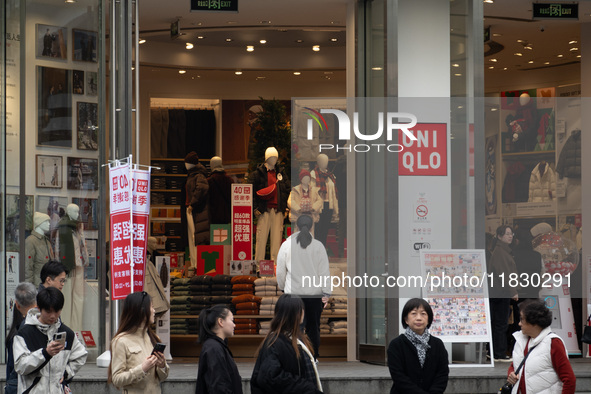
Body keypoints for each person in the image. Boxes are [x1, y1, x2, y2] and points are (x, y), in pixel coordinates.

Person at [13, 287, 88, 394]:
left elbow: (81, 355)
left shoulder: (67, 333)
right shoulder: (25, 333)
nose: (53, 316)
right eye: (48, 311)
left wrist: (66, 373)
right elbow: (20, 366)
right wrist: (45, 353)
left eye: (57, 311)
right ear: (39, 308)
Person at [276, 214, 330, 359]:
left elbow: (280, 271)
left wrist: (282, 287)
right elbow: (324, 272)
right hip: (314, 294)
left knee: (295, 327)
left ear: (297, 226)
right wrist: (326, 293)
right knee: (314, 328)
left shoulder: (286, 245)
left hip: (293, 294)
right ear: (312, 226)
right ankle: (314, 357)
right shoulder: (318, 246)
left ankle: (296, 356)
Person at [251, 294, 323, 393]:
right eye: (301, 309)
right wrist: (306, 387)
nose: (303, 312)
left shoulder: (296, 339)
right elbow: (270, 377)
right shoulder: (275, 342)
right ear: (296, 313)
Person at [506, 299, 576, 394]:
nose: (519, 323)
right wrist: (511, 374)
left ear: (533, 322)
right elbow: (515, 365)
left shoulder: (553, 343)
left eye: (522, 319)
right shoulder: (520, 340)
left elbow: (569, 379)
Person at [108, 291, 169, 394]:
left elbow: (163, 377)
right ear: (142, 310)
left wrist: (162, 365)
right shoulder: (120, 341)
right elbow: (117, 379)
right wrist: (142, 369)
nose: (154, 311)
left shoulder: (153, 338)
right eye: (152, 307)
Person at [387, 298, 449, 394]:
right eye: (414, 313)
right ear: (406, 319)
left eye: (423, 314)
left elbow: (442, 374)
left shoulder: (437, 344)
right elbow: (398, 377)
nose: (419, 318)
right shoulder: (396, 345)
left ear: (429, 319)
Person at [195, 305, 242, 394]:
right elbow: (219, 386)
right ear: (220, 321)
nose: (234, 325)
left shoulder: (216, 346)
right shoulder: (213, 349)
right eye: (232, 320)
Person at [489, 225, 519, 362]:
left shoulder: (503, 251)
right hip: (501, 292)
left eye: (511, 233)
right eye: (507, 234)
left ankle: (496, 352)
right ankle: (499, 353)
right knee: (501, 323)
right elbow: (505, 274)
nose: (510, 236)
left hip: (499, 291)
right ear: (500, 236)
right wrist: (513, 291)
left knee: (499, 322)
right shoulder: (501, 252)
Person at [4, 283, 37, 394]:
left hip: (18, 384)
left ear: (17, 305)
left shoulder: (16, 333)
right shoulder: (44, 324)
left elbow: (11, 367)